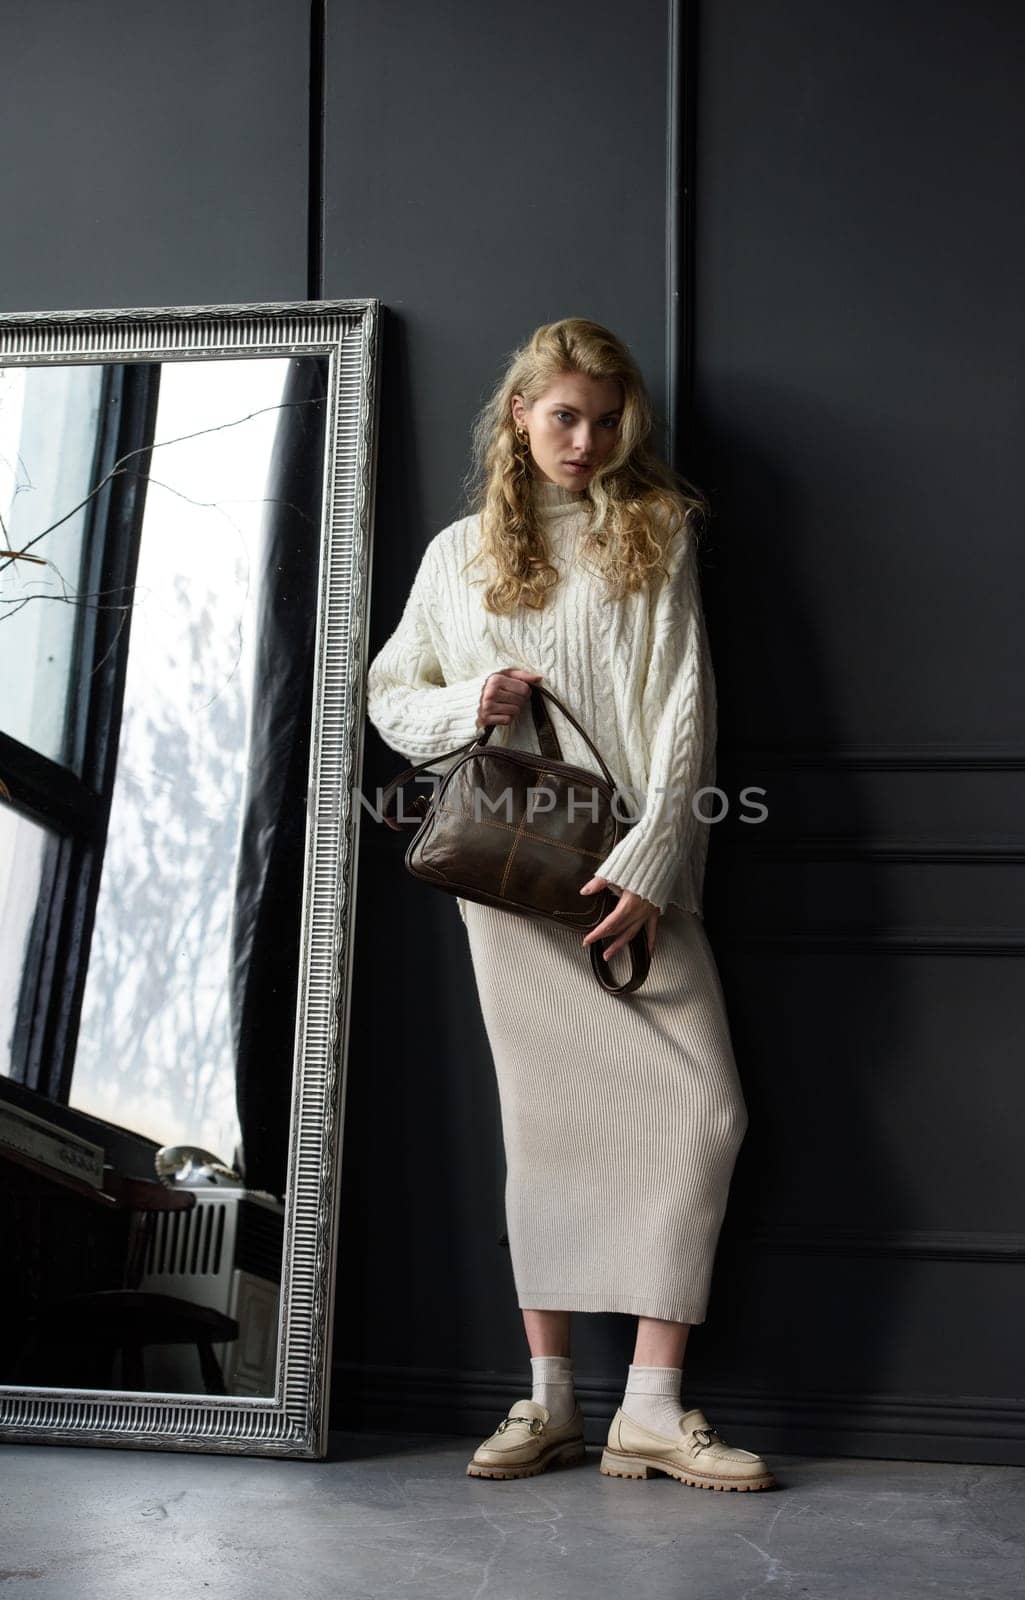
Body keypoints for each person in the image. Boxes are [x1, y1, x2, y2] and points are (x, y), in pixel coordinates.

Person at [365, 317, 775, 1493]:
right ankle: (547, 1400)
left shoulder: (654, 532)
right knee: (540, 1130)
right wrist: (469, 706)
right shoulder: (457, 556)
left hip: (627, 872)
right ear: (519, 415)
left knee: (706, 1112)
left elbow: (684, 701)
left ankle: (649, 1408)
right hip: (505, 879)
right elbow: (393, 691)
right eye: (563, 416)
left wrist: (652, 866)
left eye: (605, 419)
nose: (585, 440)